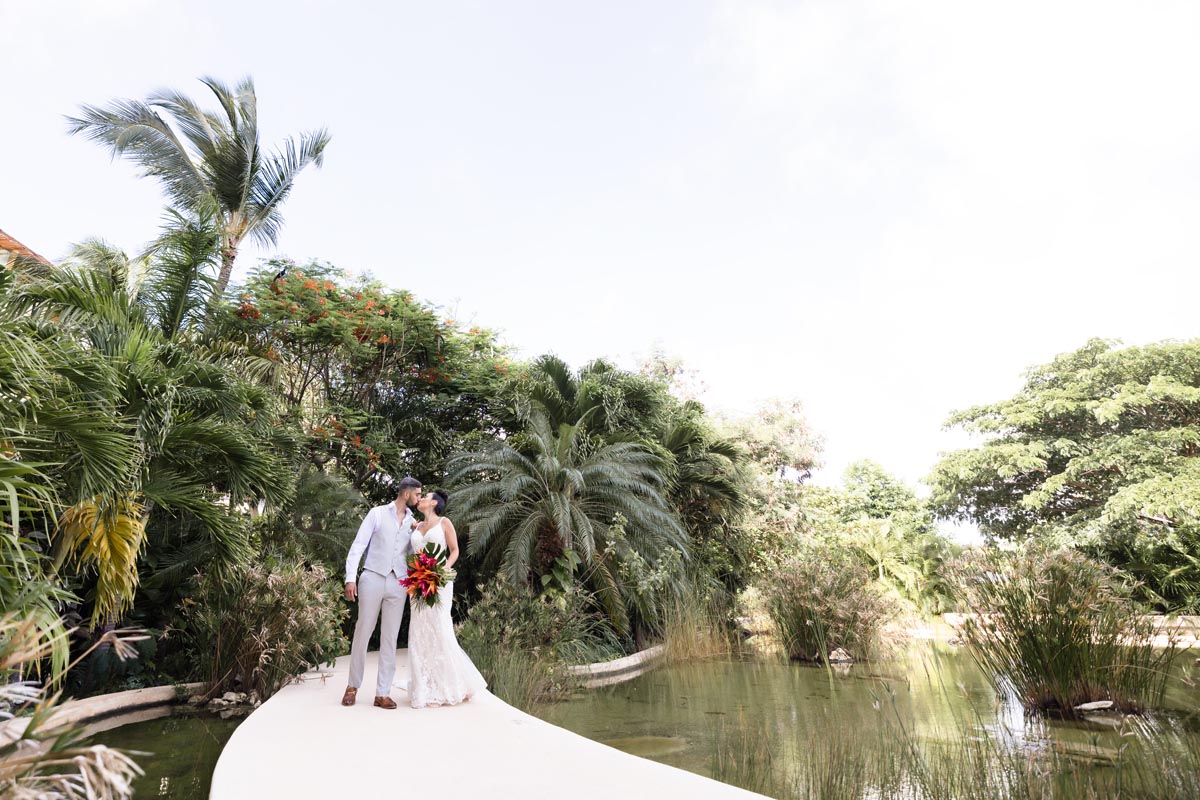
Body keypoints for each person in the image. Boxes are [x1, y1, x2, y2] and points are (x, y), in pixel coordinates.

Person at [341, 476, 422, 709]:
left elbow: (412, 554)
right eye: (417, 494)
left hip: (398, 583)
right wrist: (350, 578)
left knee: (390, 637)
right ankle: (352, 686)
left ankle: (382, 693)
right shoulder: (376, 513)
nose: (419, 498)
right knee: (363, 631)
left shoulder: (412, 523)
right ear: (406, 494)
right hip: (373, 577)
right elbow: (358, 546)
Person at [406, 489, 487, 708]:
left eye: (425, 497)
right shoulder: (416, 526)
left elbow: (454, 550)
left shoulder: (444, 522)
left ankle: (447, 685)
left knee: (439, 626)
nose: (421, 499)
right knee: (419, 629)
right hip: (418, 581)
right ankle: (424, 685)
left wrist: (443, 569)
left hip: (440, 580)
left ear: (434, 503)